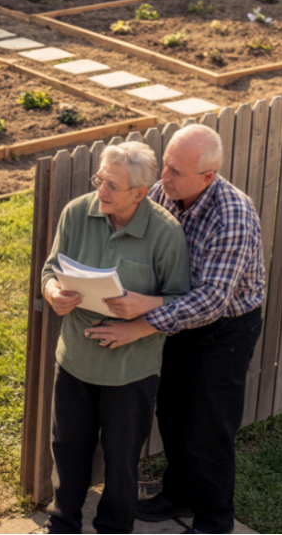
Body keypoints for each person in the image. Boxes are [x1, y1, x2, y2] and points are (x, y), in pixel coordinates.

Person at [88, 124, 266, 534]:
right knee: (172, 413)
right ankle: (180, 493)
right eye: (165, 165)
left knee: (209, 428)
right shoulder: (162, 193)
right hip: (177, 323)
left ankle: (213, 520)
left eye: (175, 172)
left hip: (224, 331)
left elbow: (210, 301)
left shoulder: (233, 217)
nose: (163, 178)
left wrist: (143, 321)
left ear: (207, 177)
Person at [41, 141, 190, 534]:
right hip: (74, 359)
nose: (101, 191)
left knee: (122, 459)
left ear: (140, 194)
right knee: (68, 448)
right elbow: (50, 269)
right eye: (99, 179)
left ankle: (114, 528)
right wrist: (54, 293)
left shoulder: (165, 233)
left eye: (112, 186)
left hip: (132, 371)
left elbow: (179, 299)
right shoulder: (77, 213)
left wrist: (138, 317)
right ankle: (62, 523)